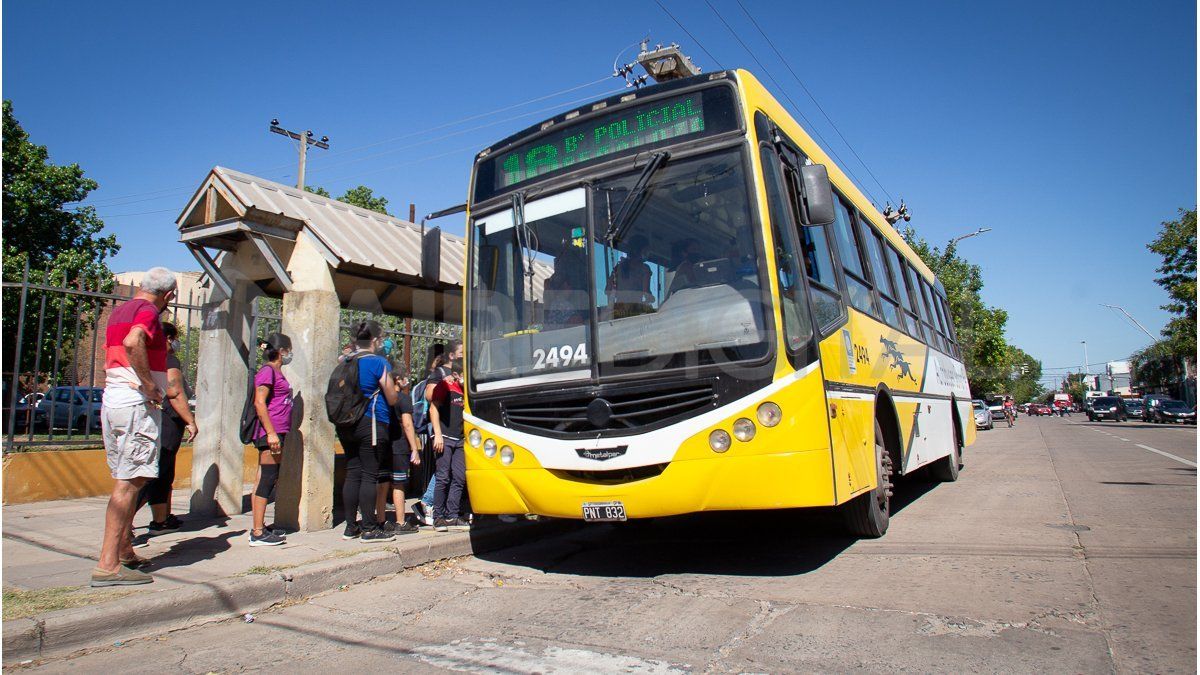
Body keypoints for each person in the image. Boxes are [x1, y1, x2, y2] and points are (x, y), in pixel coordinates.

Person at [92, 267, 177, 587]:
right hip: (134, 405)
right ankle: (108, 564)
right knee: (130, 483)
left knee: (127, 479)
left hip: (113, 401)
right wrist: (149, 386)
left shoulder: (120, 310)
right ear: (168, 295)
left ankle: (125, 552)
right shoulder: (147, 312)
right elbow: (134, 341)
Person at [337, 321, 401, 542]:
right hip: (372, 422)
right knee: (369, 474)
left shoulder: (344, 361)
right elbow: (392, 397)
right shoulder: (378, 363)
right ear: (374, 340)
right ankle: (369, 528)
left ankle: (350, 527)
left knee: (353, 471)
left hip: (346, 424)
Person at [135, 323, 198, 540]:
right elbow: (175, 393)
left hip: (153, 420)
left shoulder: (148, 360)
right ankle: (124, 526)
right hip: (167, 423)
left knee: (163, 475)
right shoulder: (169, 360)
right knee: (152, 475)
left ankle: (160, 521)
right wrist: (190, 420)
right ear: (168, 338)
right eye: (174, 338)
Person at [248, 333, 294, 546]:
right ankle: (257, 532)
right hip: (270, 434)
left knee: (262, 478)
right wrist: (271, 433)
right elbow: (259, 402)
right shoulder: (267, 371)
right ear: (281, 350)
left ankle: (259, 526)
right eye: (288, 349)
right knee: (267, 477)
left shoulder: (275, 371)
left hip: (275, 432)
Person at [414, 340, 462, 526]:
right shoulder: (441, 373)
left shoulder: (462, 374)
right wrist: (446, 383)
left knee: (454, 473)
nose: (464, 355)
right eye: (461, 352)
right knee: (443, 472)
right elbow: (430, 397)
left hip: (457, 432)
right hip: (442, 430)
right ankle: (428, 504)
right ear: (451, 355)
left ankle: (450, 512)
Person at [375, 369, 421, 534]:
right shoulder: (403, 398)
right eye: (404, 377)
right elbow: (408, 425)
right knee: (398, 484)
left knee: (382, 484)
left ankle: (380, 520)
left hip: (382, 445)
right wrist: (414, 448)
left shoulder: (380, 397)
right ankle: (400, 522)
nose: (407, 380)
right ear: (398, 380)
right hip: (399, 446)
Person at [429, 360, 469, 532]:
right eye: (463, 376)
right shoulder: (444, 386)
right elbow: (433, 408)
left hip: (460, 440)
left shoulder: (466, 390)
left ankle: (452, 515)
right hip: (444, 437)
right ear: (455, 375)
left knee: (459, 477)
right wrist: (437, 434)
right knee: (443, 477)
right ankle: (438, 516)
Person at [604, 234, 654, 319]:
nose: (648, 253)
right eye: (647, 250)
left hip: (618, 312)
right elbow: (647, 293)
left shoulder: (618, 267)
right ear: (641, 250)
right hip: (634, 312)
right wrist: (652, 299)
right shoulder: (644, 269)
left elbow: (608, 289)